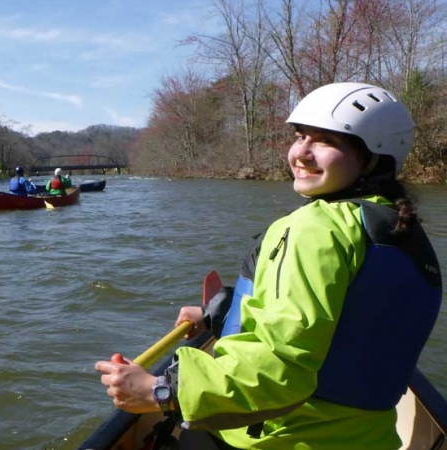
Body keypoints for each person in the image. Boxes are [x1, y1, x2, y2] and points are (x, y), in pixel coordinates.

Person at [95, 82, 442, 450]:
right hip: (370, 438)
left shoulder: (314, 228)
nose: (301, 153)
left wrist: (161, 391)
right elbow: (349, 320)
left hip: (281, 437)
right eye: (300, 136)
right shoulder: (398, 226)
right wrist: (219, 312)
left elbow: (280, 371)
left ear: (373, 157)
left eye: (325, 141)